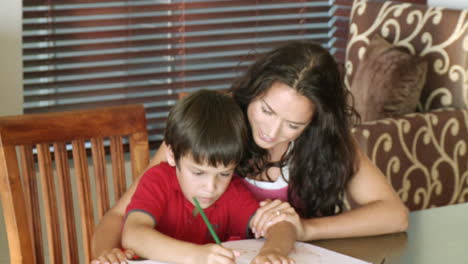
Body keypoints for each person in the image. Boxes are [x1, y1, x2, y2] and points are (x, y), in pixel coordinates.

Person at [91, 41, 408, 263]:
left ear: (314, 122)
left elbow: (394, 214)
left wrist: (305, 228)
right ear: (254, 91)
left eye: (293, 125)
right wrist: (106, 255)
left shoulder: (325, 141)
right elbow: (122, 215)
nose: (272, 132)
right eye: (267, 110)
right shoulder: (214, 129)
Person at [120, 90, 295, 264]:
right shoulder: (158, 181)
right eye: (198, 173)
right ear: (172, 155)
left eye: (224, 173)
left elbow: (282, 226)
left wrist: (272, 251)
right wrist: (195, 255)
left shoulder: (233, 192)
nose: (211, 187)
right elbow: (133, 234)